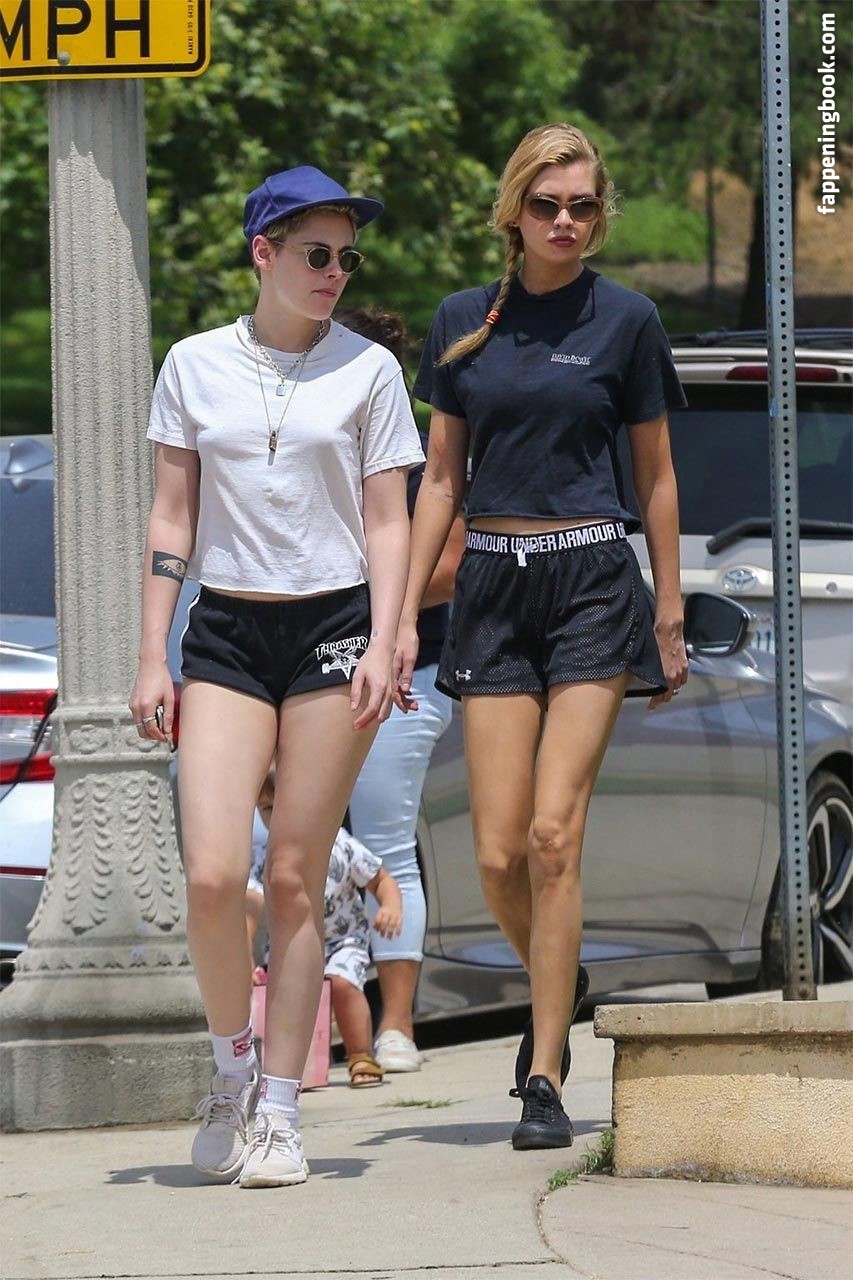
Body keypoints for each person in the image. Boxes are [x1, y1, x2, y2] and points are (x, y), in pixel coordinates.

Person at [130, 165, 424, 1188]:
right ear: (264, 253)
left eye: (347, 257)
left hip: (334, 626)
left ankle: (285, 1114)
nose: (335, 271)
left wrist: (388, 636)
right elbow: (173, 514)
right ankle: (231, 1073)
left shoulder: (369, 371)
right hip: (226, 628)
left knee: (296, 874)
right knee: (216, 874)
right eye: (316, 253)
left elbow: (388, 520)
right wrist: (151, 654)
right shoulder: (193, 364)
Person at [395, 123, 689, 1150]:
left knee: (552, 837)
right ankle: (560, 979)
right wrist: (399, 616)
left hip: (592, 584)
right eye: (546, 204)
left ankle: (543, 1069)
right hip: (489, 588)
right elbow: (441, 479)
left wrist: (668, 606)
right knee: (494, 853)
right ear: (512, 211)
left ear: (599, 215)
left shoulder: (628, 319)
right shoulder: (461, 321)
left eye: (582, 206)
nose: (565, 221)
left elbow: (655, 474)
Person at [336, 306, 465, 1074]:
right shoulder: (305, 449)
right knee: (294, 849)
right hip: (310, 667)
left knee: (385, 845)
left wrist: (369, 603)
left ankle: (397, 1026)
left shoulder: (420, 459)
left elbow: (447, 569)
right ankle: (320, 1023)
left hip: (409, 672)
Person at [246, 769, 404, 1088]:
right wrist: (245, 955)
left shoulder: (339, 845)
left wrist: (390, 906)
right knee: (286, 1000)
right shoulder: (266, 857)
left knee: (343, 984)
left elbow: (380, 878)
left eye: (286, 806)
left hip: (343, 941)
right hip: (289, 946)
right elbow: (250, 905)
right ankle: (298, 1069)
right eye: (268, 808)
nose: (278, 817)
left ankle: (360, 1054)